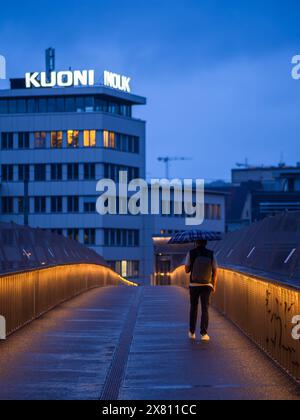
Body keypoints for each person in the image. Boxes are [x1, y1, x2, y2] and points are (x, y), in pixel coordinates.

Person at [185, 240, 218, 342]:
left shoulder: (191, 253)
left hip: (194, 285)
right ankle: (204, 334)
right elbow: (215, 270)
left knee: (193, 308)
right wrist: (214, 285)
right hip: (206, 285)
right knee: (205, 309)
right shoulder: (211, 253)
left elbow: (186, 270)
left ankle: (192, 332)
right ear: (206, 243)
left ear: (196, 242)